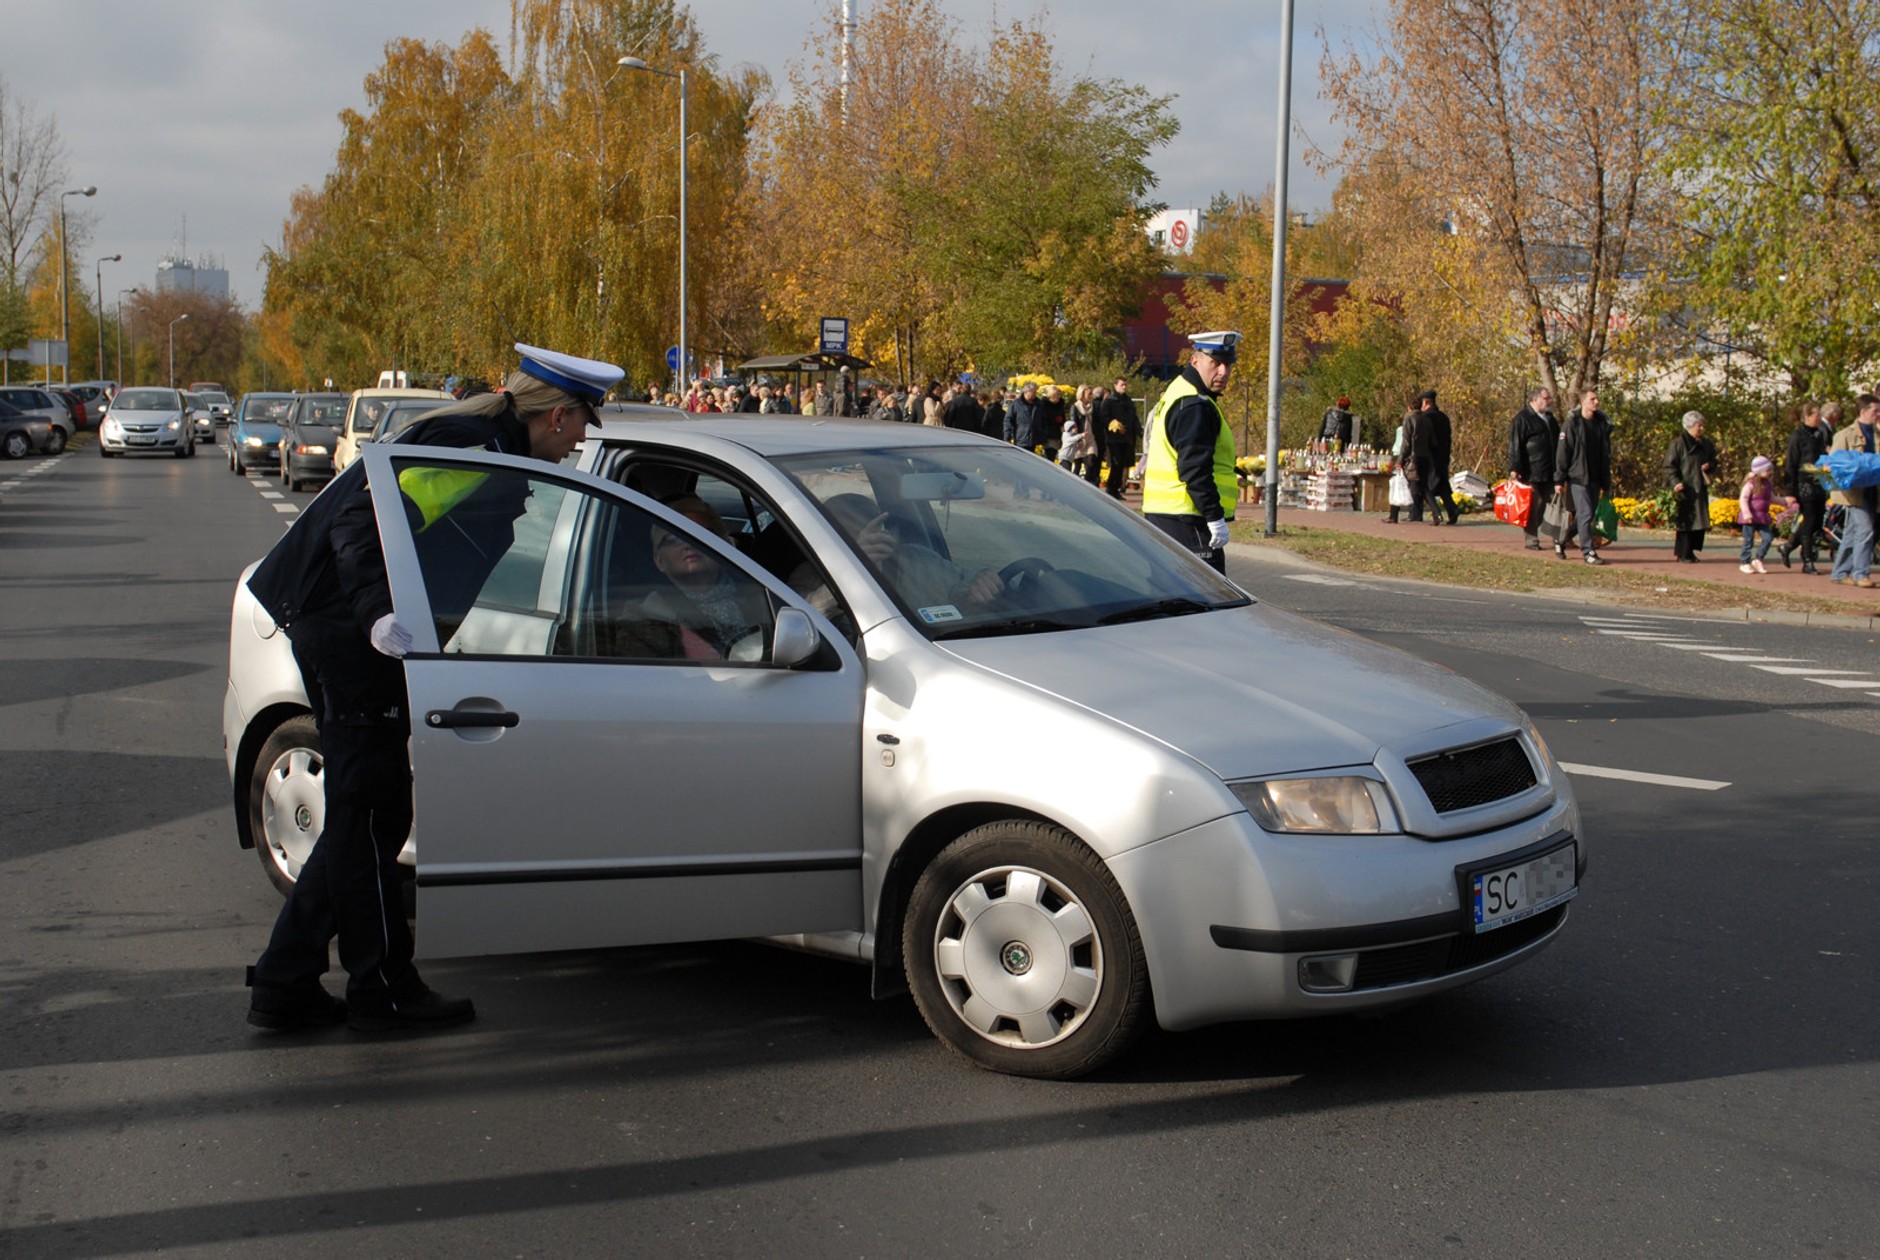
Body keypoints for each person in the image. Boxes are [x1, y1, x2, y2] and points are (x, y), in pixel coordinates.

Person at [243, 342, 622, 1033]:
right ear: (561, 416)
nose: (577, 447)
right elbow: (363, 521)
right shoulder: (469, 444)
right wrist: (375, 617)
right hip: (347, 628)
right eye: (580, 429)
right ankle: (381, 988)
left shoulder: (489, 443)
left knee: (368, 809)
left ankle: (288, 977)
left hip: (352, 626)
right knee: (373, 811)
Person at [1141, 330, 1241, 573]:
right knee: (1207, 598)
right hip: (1189, 519)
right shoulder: (1195, 405)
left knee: (1169, 595)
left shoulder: (1179, 390)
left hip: (1167, 516)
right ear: (1195, 360)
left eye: (1228, 365)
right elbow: (1195, 469)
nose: (1223, 372)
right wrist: (1214, 517)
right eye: (1215, 363)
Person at [821, 492, 1005, 611]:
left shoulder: (915, 559)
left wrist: (982, 580)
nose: (872, 538)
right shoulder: (816, 574)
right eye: (854, 532)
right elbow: (810, 612)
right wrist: (852, 568)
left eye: (875, 525)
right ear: (832, 540)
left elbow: (964, 584)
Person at [639, 496, 768, 656]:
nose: (688, 543)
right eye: (674, 537)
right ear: (659, 561)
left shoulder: (763, 594)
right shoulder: (646, 620)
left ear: (723, 545)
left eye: (700, 535)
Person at [1556, 388, 1614, 564]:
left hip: (1595, 478)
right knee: (1586, 513)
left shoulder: (1601, 424)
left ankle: (1561, 541)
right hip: (1578, 478)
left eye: (1597, 399)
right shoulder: (1572, 424)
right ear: (1583, 401)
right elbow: (1563, 453)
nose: (1596, 402)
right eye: (1592, 399)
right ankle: (1588, 552)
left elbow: (1605, 455)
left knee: (1585, 516)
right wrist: (1559, 479)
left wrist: (1606, 480)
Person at [1829, 393, 1880, 587]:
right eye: (1875, 411)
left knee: (1853, 533)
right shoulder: (1845, 435)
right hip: (1853, 492)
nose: (1878, 414)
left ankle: (1840, 573)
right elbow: (1835, 465)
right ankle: (1861, 574)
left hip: (1872, 490)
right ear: (1863, 411)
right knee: (1866, 530)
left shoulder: (1877, 434)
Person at [1780, 401, 1834, 573]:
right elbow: (1791, 464)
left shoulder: (1819, 434)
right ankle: (1807, 560)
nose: (1819, 418)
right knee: (1809, 521)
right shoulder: (1797, 436)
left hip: (1818, 482)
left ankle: (1788, 547)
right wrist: (1790, 491)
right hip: (1804, 485)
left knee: (1817, 521)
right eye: (1817, 415)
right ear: (1808, 416)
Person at [1507, 386, 1560, 550]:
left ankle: (1558, 538)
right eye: (1546, 398)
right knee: (1533, 505)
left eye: (1549, 398)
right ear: (1535, 399)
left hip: (1550, 470)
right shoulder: (1523, 418)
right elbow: (1516, 445)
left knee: (1553, 504)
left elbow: (1559, 442)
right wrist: (1515, 468)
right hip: (1531, 471)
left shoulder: (1550, 419)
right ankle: (1531, 538)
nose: (1549, 402)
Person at [1664, 410, 1715, 563]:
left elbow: (1714, 461)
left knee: (1699, 521)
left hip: (1699, 486)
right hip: (1685, 487)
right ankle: (1682, 553)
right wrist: (1675, 482)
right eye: (1699, 426)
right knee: (1685, 522)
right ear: (1690, 426)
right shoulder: (1678, 444)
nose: (1701, 429)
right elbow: (1669, 466)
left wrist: (1709, 466)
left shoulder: (1706, 444)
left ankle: (1691, 551)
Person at [1404, 390, 1457, 525]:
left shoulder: (1425, 417)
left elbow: (1424, 438)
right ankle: (1452, 511)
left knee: (1423, 486)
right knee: (1443, 486)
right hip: (1443, 456)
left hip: (1429, 456)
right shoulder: (1444, 417)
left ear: (1425, 402)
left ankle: (1422, 513)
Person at [1098, 377, 1140, 498]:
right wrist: (1115, 426)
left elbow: (1134, 417)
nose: (1124, 387)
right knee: (1116, 463)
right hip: (1114, 438)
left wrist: (1138, 431)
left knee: (1123, 464)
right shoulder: (1109, 401)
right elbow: (1104, 418)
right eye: (1122, 385)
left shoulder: (1128, 401)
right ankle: (1111, 489)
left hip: (1127, 438)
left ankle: (1116, 489)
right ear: (1115, 386)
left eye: (1125, 385)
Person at [1738, 455, 1778, 574]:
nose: (1770, 472)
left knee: (1768, 537)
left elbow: (1772, 498)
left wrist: (1786, 502)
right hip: (1750, 518)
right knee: (1748, 540)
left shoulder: (1767, 485)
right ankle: (1745, 562)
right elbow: (1743, 499)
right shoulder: (1750, 484)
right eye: (1767, 470)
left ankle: (1758, 558)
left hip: (1762, 517)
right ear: (1759, 471)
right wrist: (1747, 514)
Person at [1006, 382, 1045, 451]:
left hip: (1034, 439)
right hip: (1020, 439)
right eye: (1034, 392)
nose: (1035, 394)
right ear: (1027, 391)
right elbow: (1008, 420)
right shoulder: (1016, 404)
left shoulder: (1039, 404)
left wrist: (1043, 435)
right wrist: (1007, 436)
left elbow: (1044, 420)